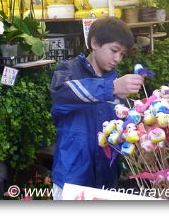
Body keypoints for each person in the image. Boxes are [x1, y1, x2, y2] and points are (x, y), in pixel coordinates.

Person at [50, 17, 144, 200]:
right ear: (94, 43)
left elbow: (121, 129)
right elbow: (62, 93)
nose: (117, 58)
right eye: (114, 50)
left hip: (107, 178)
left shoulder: (115, 80)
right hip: (72, 178)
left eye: (122, 54)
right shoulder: (68, 71)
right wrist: (112, 88)